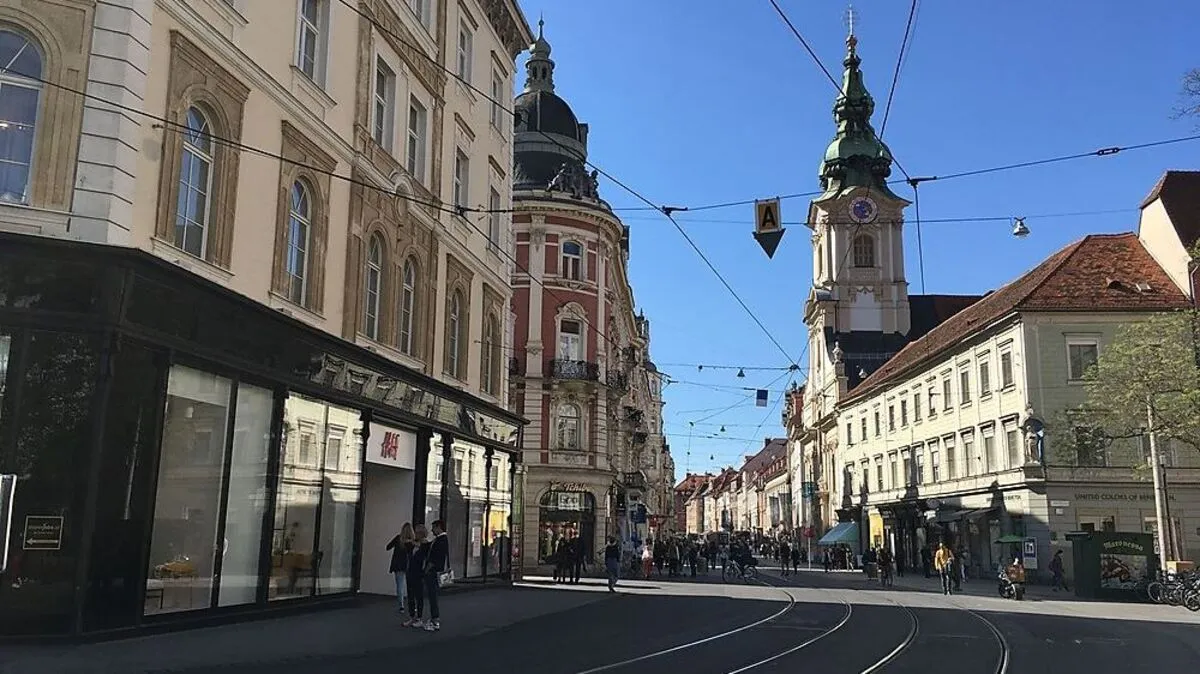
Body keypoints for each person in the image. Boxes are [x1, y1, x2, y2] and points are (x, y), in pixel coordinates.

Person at [424, 519, 450, 632]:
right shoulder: (440, 540)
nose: (432, 530)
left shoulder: (441, 540)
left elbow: (435, 557)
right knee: (432, 595)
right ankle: (434, 619)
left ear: (439, 527)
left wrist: (428, 568)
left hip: (434, 571)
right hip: (435, 570)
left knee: (433, 595)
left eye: (434, 528)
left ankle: (435, 620)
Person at [385, 522, 415, 615]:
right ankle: (413, 606)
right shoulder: (413, 542)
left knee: (400, 586)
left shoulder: (398, 538)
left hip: (398, 565)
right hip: (409, 565)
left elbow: (388, 547)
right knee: (411, 586)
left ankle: (401, 606)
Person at [402, 524, 429, 628]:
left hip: (419, 573)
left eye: (417, 532)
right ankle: (412, 616)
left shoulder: (425, 545)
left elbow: (425, 557)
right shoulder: (413, 544)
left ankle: (419, 618)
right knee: (411, 595)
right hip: (411, 572)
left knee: (419, 596)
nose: (415, 534)